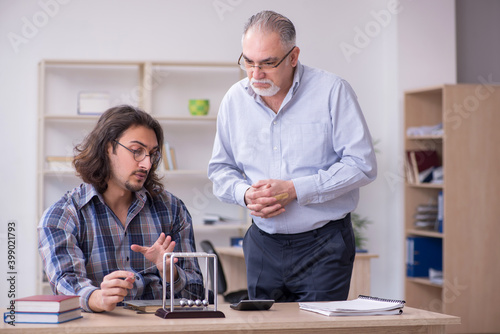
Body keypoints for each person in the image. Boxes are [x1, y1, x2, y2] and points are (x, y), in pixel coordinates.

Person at [208, 10, 377, 302]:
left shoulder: (331, 92)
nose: (255, 75)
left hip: (323, 244)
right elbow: (221, 169)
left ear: (293, 56)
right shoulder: (234, 100)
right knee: (265, 328)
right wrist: (246, 194)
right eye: (248, 62)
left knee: (316, 329)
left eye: (268, 63)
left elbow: (362, 165)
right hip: (262, 243)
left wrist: (294, 189)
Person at [38, 105, 204, 312]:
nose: (147, 164)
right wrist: (98, 297)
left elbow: (198, 295)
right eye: (137, 151)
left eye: (152, 154)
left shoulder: (172, 209)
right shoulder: (62, 216)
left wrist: (171, 273)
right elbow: (65, 285)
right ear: (108, 148)